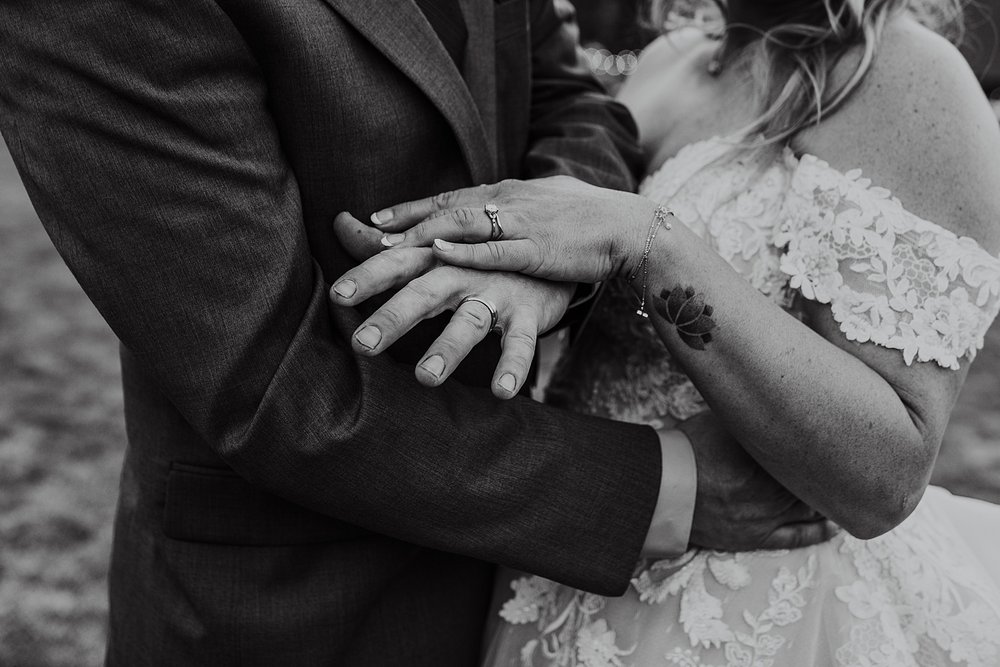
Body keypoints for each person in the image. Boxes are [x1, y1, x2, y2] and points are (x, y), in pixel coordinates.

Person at [0, 1, 835, 664]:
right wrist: (665, 490)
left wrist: (530, 241)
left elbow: (569, 96)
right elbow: (270, 387)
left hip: (527, 587)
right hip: (294, 607)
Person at [334, 0, 1000, 664]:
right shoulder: (667, 60)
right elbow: (578, 215)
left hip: (764, 608)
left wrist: (645, 242)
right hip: (579, 568)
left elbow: (886, 478)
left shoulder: (908, 79)